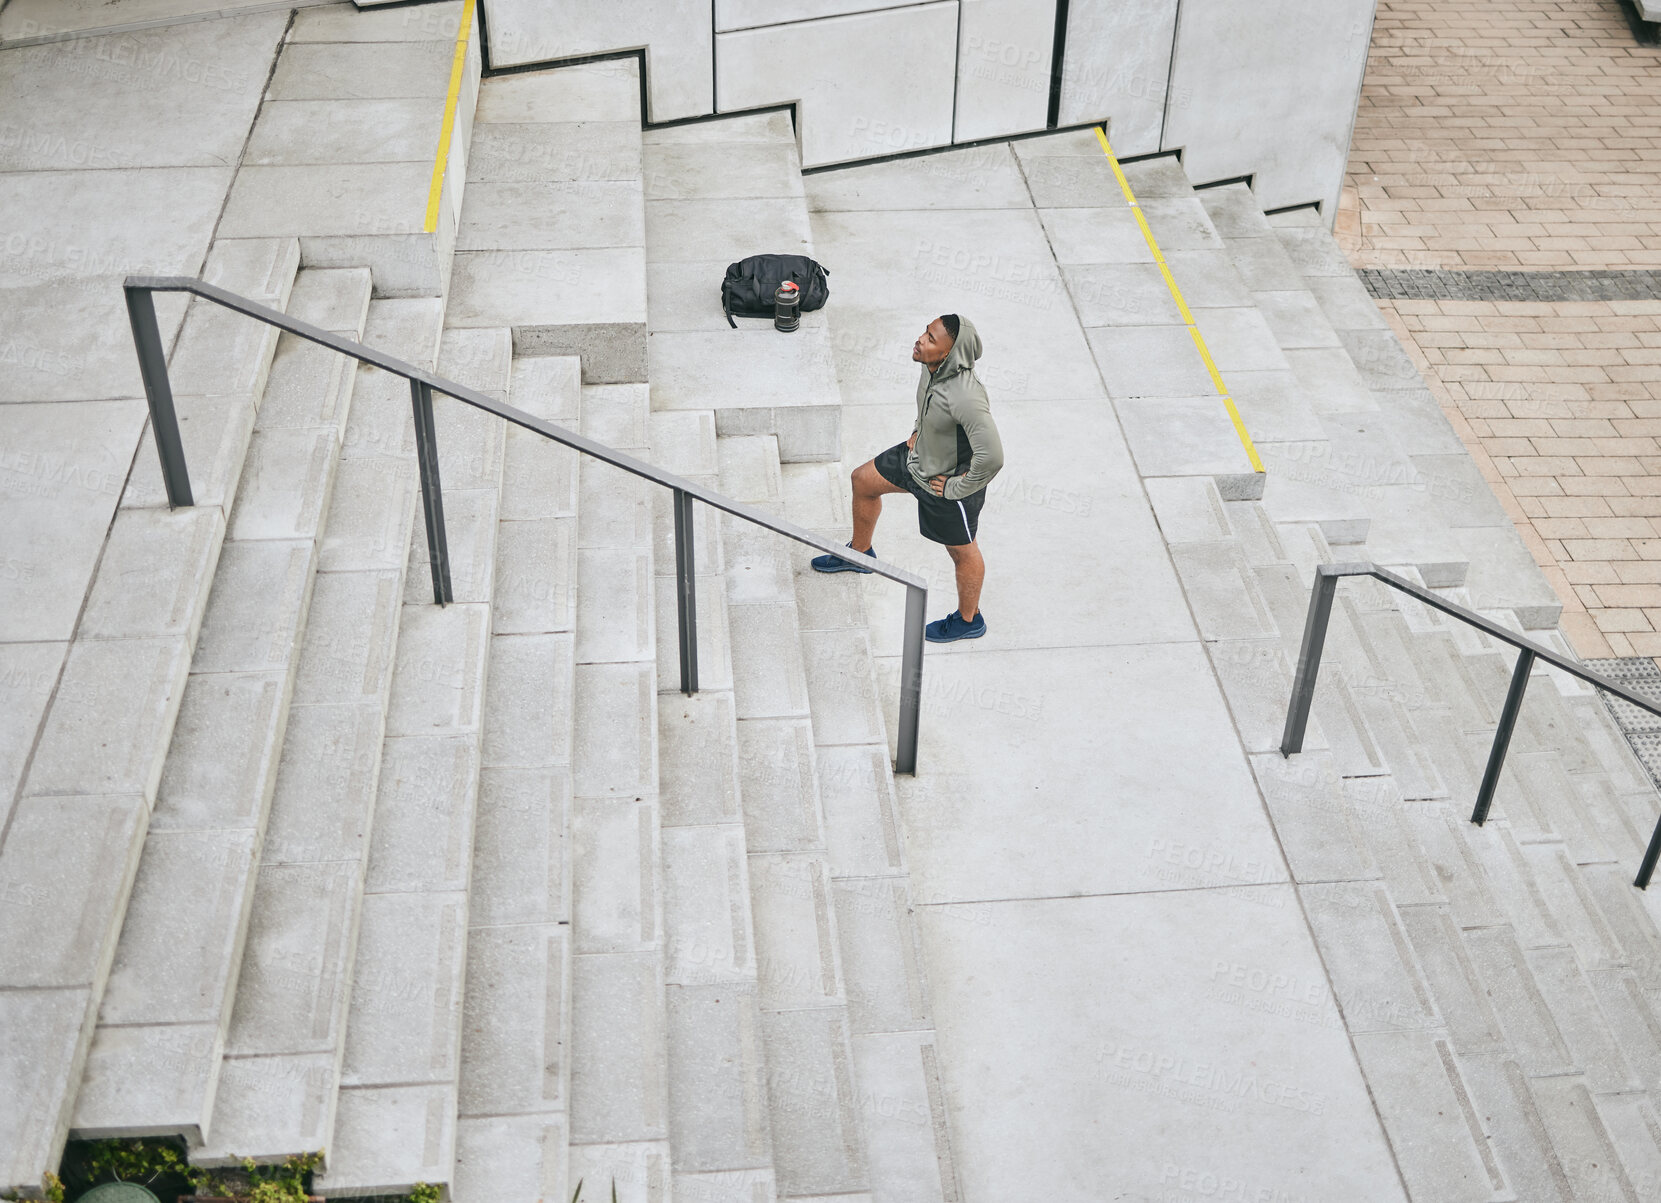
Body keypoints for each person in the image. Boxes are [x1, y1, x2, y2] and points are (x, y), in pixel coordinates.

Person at [811, 313, 1003, 642]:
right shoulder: (931, 368)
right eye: (925, 332)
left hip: (946, 484)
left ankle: (969, 620)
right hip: (915, 459)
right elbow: (928, 408)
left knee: (962, 552)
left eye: (930, 339)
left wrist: (956, 487)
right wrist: (918, 430)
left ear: (948, 354)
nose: (920, 340)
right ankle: (860, 555)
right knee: (863, 481)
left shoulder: (967, 397)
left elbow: (993, 457)